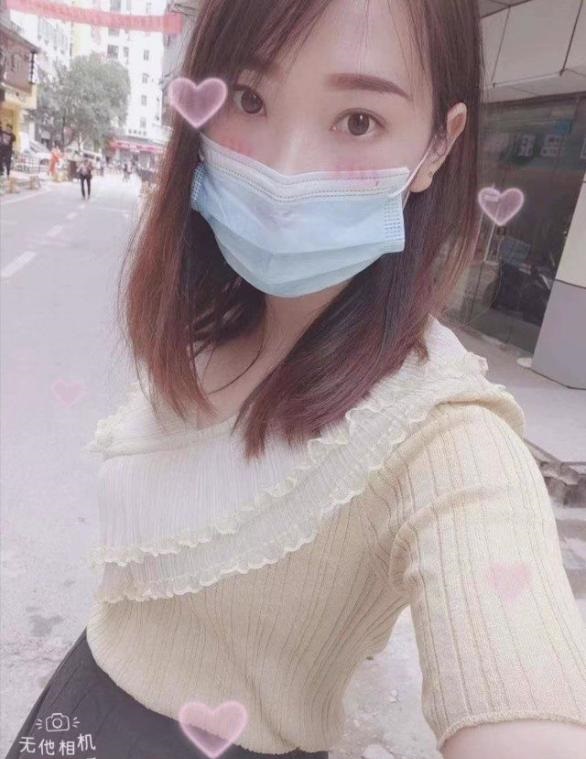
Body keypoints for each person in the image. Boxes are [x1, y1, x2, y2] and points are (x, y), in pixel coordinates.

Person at [7, 1, 586, 758]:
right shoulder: (215, 322)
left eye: (357, 121)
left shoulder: (442, 429)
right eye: (250, 99)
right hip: (71, 712)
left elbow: (525, 698)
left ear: (437, 147)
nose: (285, 172)